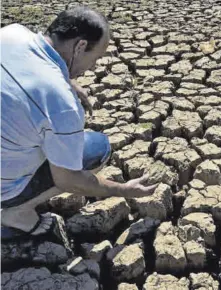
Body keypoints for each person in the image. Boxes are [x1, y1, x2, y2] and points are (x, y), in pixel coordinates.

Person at [1, 6, 157, 239]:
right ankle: (16, 212)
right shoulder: (62, 104)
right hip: (4, 187)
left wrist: (65, 79)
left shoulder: (11, 33)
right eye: (95, 59)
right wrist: (124, 190)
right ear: (81, 46)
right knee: (96, 148)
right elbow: (68, 180)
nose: (92, 68)